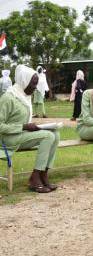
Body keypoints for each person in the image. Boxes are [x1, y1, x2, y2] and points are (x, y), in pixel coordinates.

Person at [0, 65, 60, 193]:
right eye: (33, 84)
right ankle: (35, 177)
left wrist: (33, 127)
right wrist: (24, 126)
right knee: (48, 136)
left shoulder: (24, 96)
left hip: (21, 134)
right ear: (23, 81)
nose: (35, 88)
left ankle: (43, 174)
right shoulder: (8, 98)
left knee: (55, 133)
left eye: (36, 84)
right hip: (8, 139)